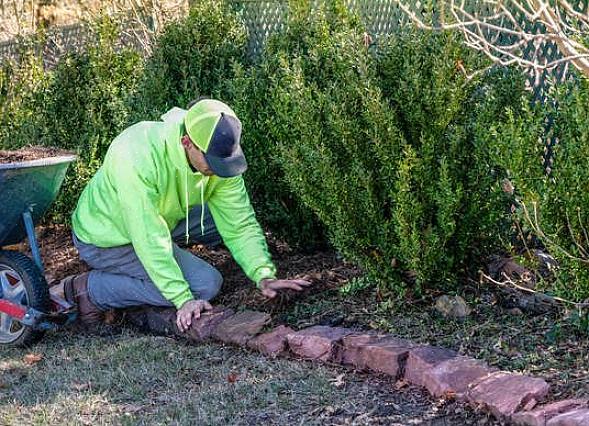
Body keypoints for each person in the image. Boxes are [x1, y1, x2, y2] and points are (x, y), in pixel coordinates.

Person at [61, 99, 310, 334]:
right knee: (204, 285)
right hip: (106, 236)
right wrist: (182, 298)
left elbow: (239, 222)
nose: (218, 169)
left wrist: (263, 274)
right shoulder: (136, 154)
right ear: (186, 142)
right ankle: (88, 291)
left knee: (217, 220)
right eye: (211, 161)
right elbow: (148, 236)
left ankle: (157, 272)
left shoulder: (219, 159)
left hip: (162, 218)